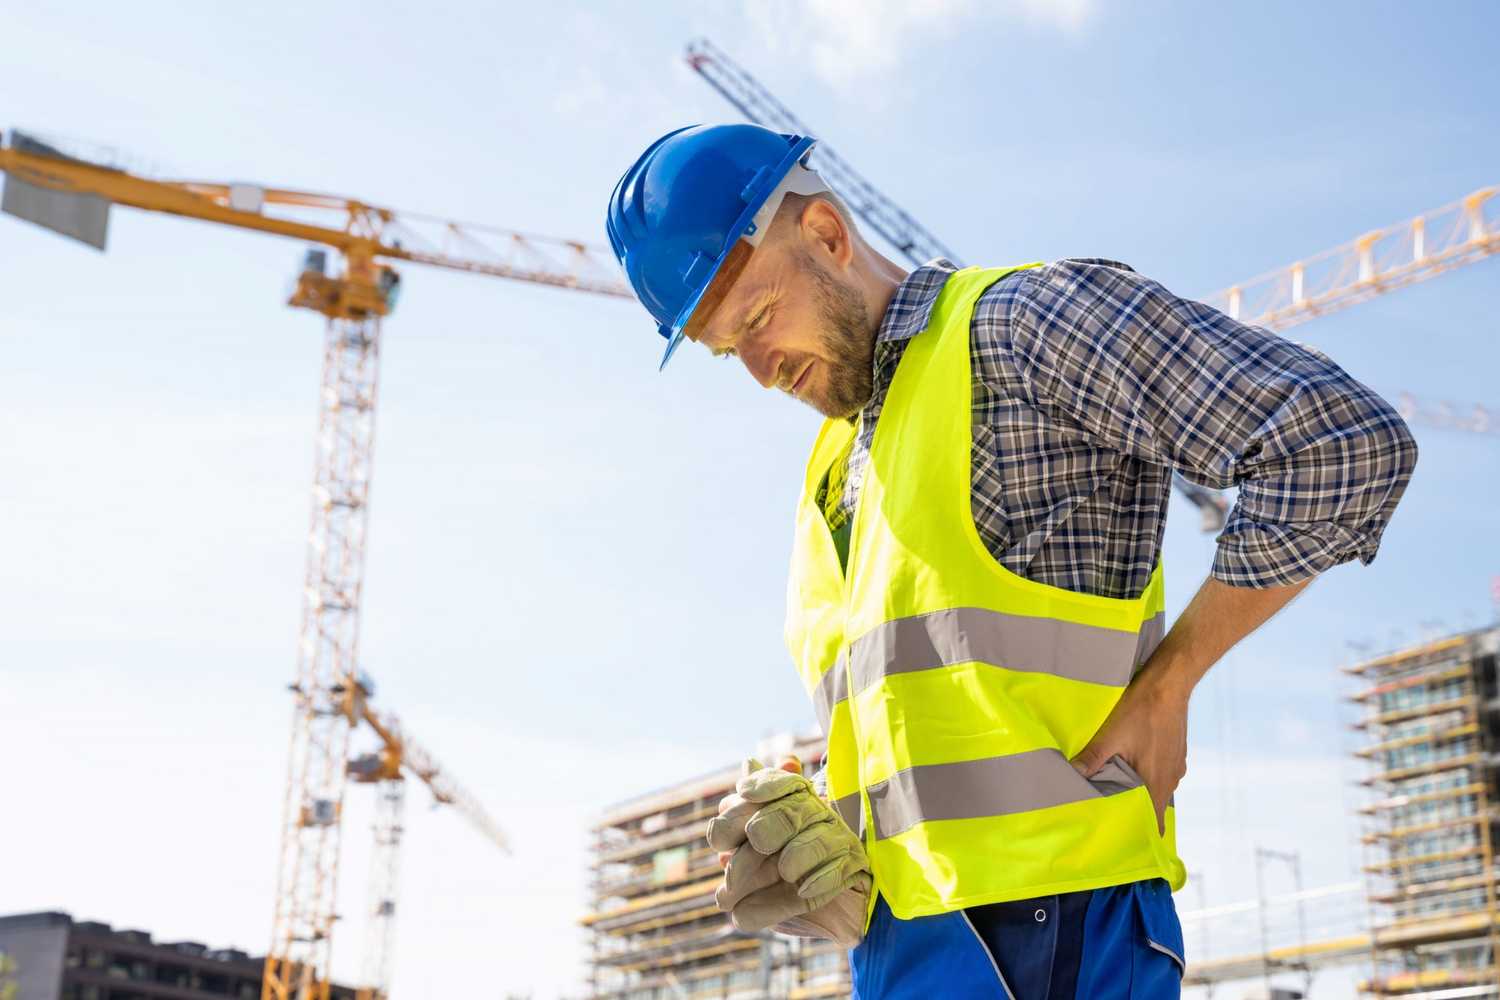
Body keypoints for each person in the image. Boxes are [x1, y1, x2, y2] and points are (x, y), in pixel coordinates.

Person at [604, 124, 1417, 998]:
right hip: (900, 948)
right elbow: (935, 704)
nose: (762, 373)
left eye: (760, 320)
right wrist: (838, 835)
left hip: (1059, 927)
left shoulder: (1023, 325)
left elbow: (1342, 443)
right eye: (732, 354)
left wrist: (1171, 679)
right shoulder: (831, 468)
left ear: (829, 237)